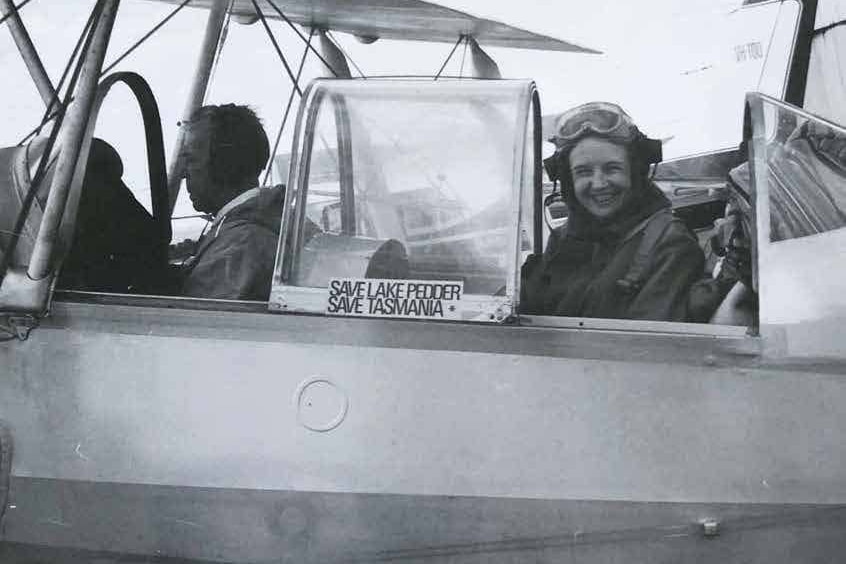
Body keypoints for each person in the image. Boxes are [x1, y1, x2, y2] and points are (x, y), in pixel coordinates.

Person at [520, 102, 705, 321]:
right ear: (569, 180)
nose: (598, 184)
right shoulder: (565, 238)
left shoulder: (670, 243)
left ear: (635, 171)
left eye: (612, 168)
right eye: (583, 172)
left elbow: (648, 346)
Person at [179, 103, 283, 300]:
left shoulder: (240, 246)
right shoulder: (262, 222)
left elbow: (199, 323)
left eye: (191, 160)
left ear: (224, 165)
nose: (184, 173)